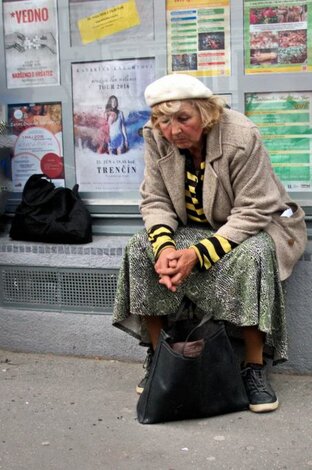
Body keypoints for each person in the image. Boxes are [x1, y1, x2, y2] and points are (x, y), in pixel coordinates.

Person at [112, 74, 307, 413]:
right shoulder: (158, 137)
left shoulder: (241, 135)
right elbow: (155, 200)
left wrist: (198, 255)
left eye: (183, 119)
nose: (173, 131)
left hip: (257, 225)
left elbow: (255, 208)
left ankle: (255, 367)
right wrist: (166, 250)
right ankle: (160, 359)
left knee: (255, 255)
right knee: (140, 247)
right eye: (164, 121)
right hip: (194, 228)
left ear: (206, 113)